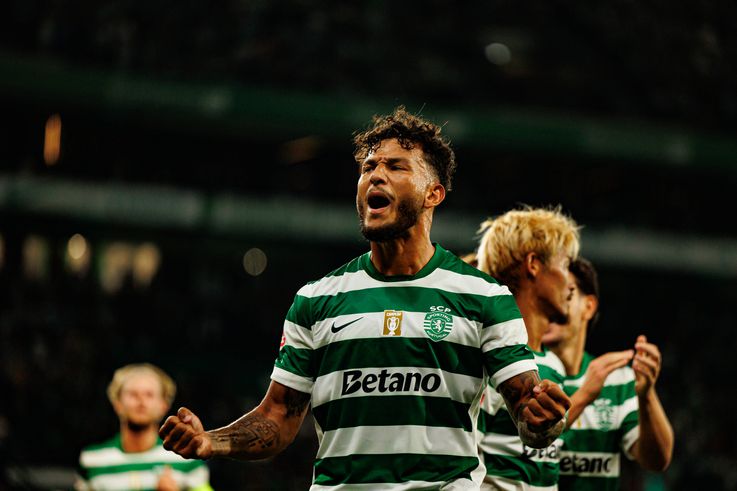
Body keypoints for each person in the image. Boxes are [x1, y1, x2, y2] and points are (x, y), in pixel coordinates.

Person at [159, 107, 571, 489]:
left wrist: (545, 420)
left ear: (433, 194)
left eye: (395, 166)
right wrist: (212, 441)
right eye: (368, 167)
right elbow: (278, 416)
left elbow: (529, 413)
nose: (375, 176)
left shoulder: (484, 297)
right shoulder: (316, 300)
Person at [542, 258, 674, 490]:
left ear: (588, 306)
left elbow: (657, 461)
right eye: (546, 296)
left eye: (565, 293)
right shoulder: (522, 376)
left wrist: (646, 395)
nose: (552, 304)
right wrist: (585, 394)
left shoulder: (617, 380)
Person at [473, 207, 581, 490]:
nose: (572, 285)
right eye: (565, 265)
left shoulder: (553, 364)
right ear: (533, 264)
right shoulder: (487, 361)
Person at [76, 364, 212, 491]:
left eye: (149, 395)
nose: (141, 401)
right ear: (117, 403)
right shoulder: (92, 459)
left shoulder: (186, 457)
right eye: (133, 394)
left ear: (163, 406)